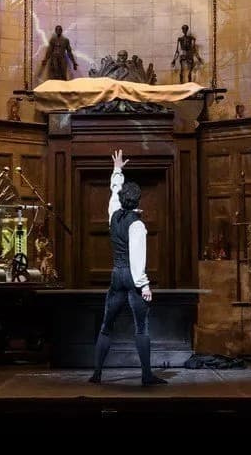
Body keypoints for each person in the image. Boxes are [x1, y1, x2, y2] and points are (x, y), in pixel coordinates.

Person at [89, 149, 168, 385]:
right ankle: (146, 375)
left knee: (106, 326)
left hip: (116, 274)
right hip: (131, 277)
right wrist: (144, 285)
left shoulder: (114, 214)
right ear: (139, 201)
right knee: (141, 327)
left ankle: (97, 374)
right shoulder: (137, 225)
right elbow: (137, 259)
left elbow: (114, 193)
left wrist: (117, 170)